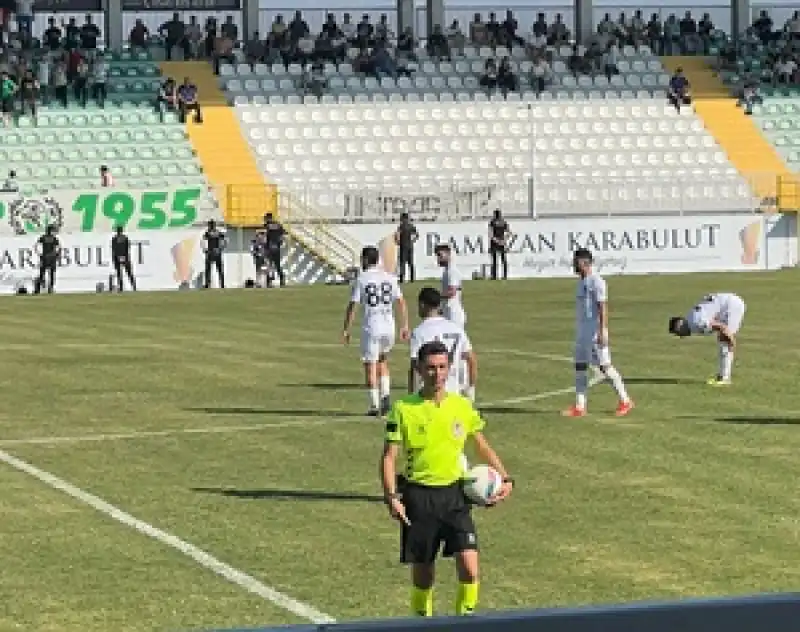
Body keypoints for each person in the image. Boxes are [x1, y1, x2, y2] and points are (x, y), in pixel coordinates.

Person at [380, 340, 513, 617]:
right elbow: (389, 457)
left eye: (442, 367)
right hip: (419, 496)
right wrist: (392, 496)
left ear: (449, 369)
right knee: (424, 573)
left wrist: (506, 478)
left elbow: (482, 445)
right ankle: (422, 622)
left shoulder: (461, 406)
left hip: (455, 496)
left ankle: (464, 621)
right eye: (430, 368)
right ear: (418, 369)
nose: (437, 374)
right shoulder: (403, 408)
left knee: (469, 566)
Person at [564, 248, 633, 417]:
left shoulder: (597, 282)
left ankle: (625, 400)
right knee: (580, 366)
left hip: (595, 332)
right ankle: (580, 406)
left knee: (605, 366)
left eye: (576, 261)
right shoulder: (581, 283)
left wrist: (602, 330)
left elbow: (603, 306)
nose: (574, 265)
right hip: (582, 332)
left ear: (583, 262)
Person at [342, 246, 410, 416]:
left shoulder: (362, 279)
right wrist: (405, 325)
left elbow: (353, 305)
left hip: (372, 325)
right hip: (389, 325)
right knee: (383, 360)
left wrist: (346, 329)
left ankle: (374, 406)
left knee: (370, 365)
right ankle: (385, 397)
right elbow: (401, 301)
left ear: (365, 260)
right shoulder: (390, 277)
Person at [409, 287, 476, 402]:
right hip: (455, 390)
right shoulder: (456, 328)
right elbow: (471, 358)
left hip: (431, 391)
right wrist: (471, 387)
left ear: (422, 305)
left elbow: (415, 366)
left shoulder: (420, 332)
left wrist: (411, 394)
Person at [668, 292, 746, 385]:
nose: (681, 336)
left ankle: (725, 379)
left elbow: (722, 327)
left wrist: (732, 341)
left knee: (725, 342)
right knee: (723, 340)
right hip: (727, 304)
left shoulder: (697, 323)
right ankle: (722, 376)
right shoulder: (690, 319)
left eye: (679, 333)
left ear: (679, 326)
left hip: (732, 306)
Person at [434, 244, 466, 328]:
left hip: (453, 315)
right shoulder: (447, 271)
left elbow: (452, 292)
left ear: (448, 254)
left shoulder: (452, 271)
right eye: (437, 256)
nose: (438, 259)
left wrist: (436, 296)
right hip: (448, 312)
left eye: (440, 255)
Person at [34, 225, 60, 294]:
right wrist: (57, 255)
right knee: (51, 274)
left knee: (42, 274)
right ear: (50, 231)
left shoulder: (43, 237)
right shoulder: (54, 238)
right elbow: (58, 248)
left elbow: (36, 246)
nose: (54, 232)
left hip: (45, 257)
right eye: (53, 230)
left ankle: (38, 289)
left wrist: (39, 254)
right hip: (51, 258)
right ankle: (50, 288)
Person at [394, 212, 418, 283]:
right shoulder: (411, 226)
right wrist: (413, 240)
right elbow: (417, 235)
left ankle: (402, 279)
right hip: (410, 246)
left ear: (403, 218)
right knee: (410, 263)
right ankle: (412, 279)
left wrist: (397, 241)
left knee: (402, 263)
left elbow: (397, 235)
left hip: (403, 246)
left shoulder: (401, 226)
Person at [202, 219, 226, 289]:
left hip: (213, 252)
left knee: (215, 269)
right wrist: (221, 248)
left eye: (211, 225)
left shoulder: (212, 233)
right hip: (213, 252)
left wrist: (221, 248)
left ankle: (220, 284)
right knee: (211, 269)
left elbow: (225, 240)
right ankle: (210, 284)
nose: (210, 226)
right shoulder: (215, 232)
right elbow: (203, 241)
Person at [264, 212, 286, 287]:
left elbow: (266, 237)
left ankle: (269, 282)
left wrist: (265, 246)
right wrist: (280, 243)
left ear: (267, 218)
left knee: (269, 265)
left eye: (265, 218)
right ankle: (282, 279)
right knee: (277, 265)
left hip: (270, 247)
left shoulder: (267, 225)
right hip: (277, 247)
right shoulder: (278, 224)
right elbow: (283, 235)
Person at [111, 226, 136, 291]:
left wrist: (117, 257)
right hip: (125, 257)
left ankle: (121, 287)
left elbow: (114, 249)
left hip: (117, 257)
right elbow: (128, 248)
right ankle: (133, 286)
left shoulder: (114, 238)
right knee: (129, 273)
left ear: (117, 231)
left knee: (119, 273)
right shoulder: (125, 238)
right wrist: (125, 256)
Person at [488, 209, 510, 281]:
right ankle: (505, 276)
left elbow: (490, 234)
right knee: (504, 260)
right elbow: (509, 233)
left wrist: (497, 241)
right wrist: (504, 241)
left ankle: (494, 276)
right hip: (502, 241)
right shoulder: (504, 222)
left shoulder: (492, 222)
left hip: (494, 242)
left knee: (494, 260)